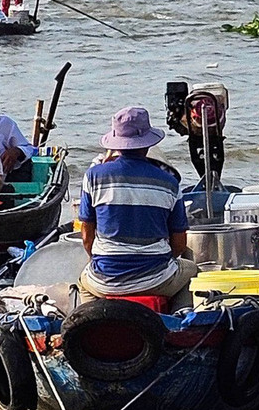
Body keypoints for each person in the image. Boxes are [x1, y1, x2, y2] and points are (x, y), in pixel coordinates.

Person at [76, 107, 195, 308]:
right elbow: (179, 244)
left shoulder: (93, 176)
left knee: (83, 284)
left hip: (105, 280)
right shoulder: (169, 183)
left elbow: (87, 237)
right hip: (156, 279)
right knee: (192, 272)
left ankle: (86, 319)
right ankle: (178, 322)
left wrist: (103, 262)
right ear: (148, 145)